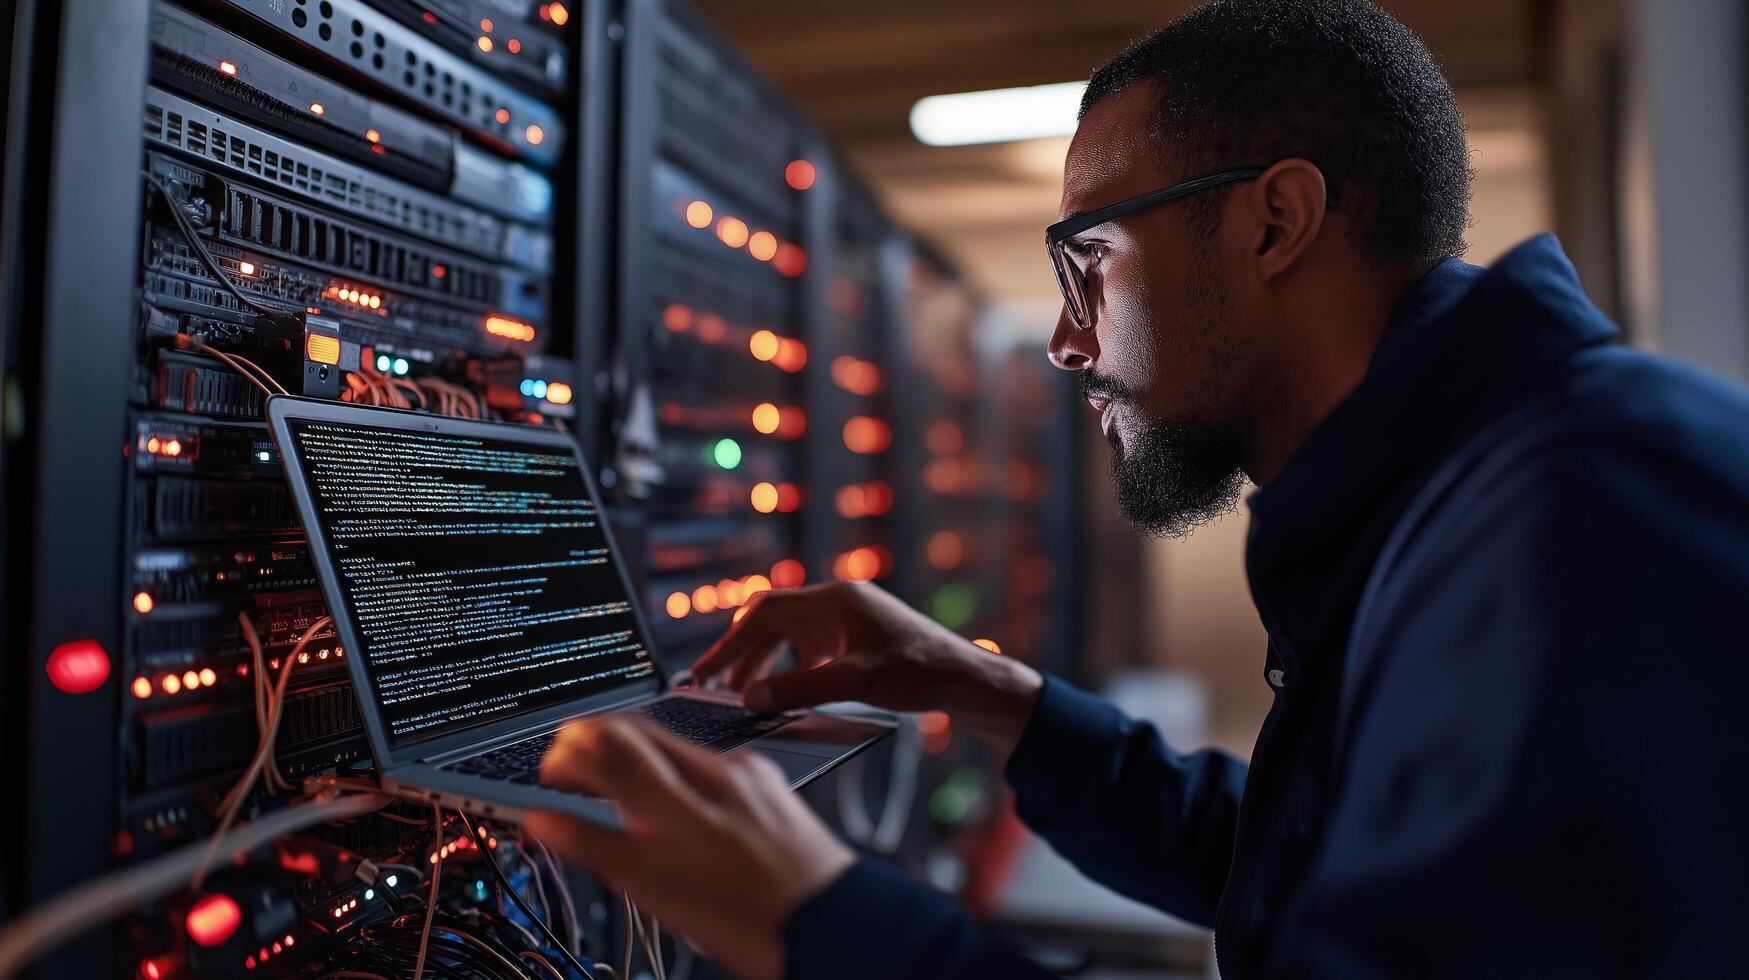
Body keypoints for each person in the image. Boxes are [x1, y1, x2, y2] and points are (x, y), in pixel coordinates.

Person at [527, 0, 1749, 976]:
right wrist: (999, 696)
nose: (1066, 342)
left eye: (1089, 262)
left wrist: (817, 915)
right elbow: (1307, 862)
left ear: (1275, 222)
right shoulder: (1464, 505)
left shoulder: (1585, 523)